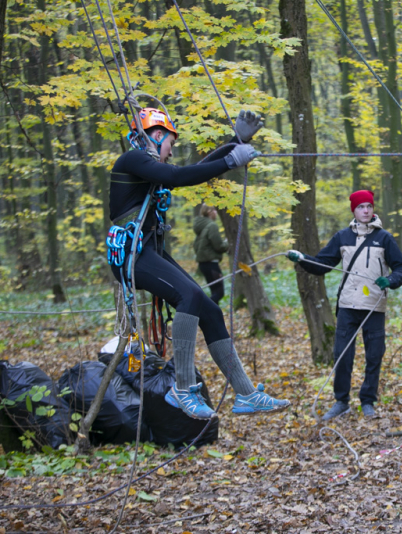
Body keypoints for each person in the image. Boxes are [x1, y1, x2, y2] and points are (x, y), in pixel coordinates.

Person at [109, 107, 289, 420]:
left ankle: (246, 394)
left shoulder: (149, 167)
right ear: (156, 135)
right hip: (132, 256)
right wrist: (232, 159)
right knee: (188, 297)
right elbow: (178, 176)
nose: (171, 150)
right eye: (170, 143)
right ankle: (182, 388)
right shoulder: (134, 159)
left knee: (209, 308)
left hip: (148, 251)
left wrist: (235, 142)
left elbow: (194, 170)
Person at [287, 190, 402, 420]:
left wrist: (391, 281)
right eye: (361, 207)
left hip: (374, 306)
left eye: (369, 207)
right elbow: (322, 264)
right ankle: (341, 402)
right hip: (347, 305)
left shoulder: (384, 238)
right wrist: (302, 258)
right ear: (353, 210)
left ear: (373, 210)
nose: (366, 210)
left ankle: (368, 401)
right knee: (342, 355)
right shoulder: (342, 237)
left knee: (374, 355)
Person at [194, 204, 228, 304]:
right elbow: (218, 246)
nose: (216, 213)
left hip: (203, 264)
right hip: (211, 264)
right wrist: (226, 243)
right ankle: (204, 310)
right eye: (215, 210)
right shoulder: (212, 225)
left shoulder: (201, 225)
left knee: (214, 291)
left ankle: (213, 318)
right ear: (209, 211)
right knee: (219, 293)